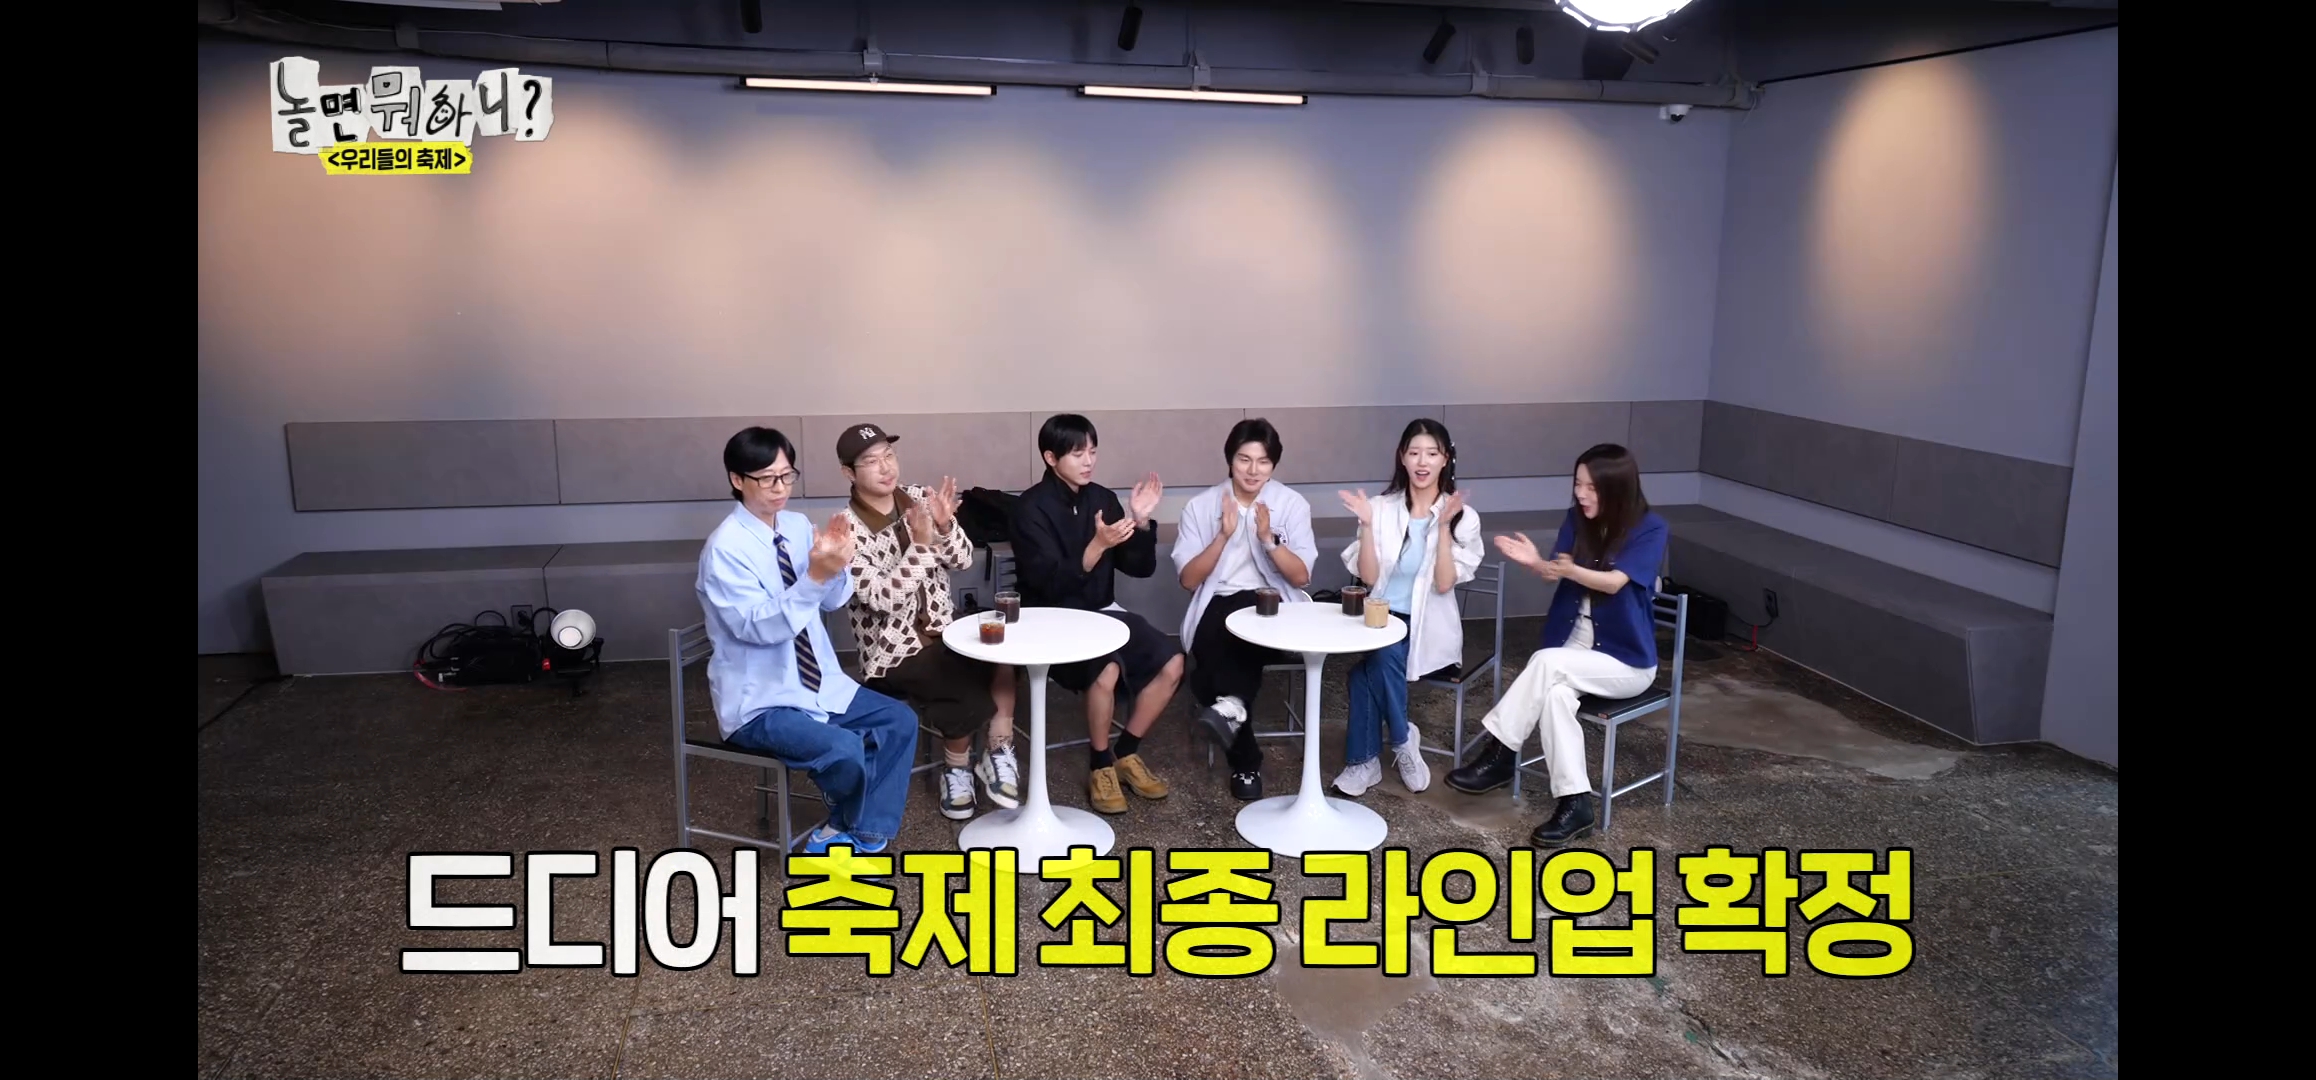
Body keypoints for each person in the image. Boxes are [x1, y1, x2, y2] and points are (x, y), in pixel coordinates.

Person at [697, 426, 919, 854]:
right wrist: (816, 576)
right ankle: (845, 824)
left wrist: (838, 567)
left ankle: (855, 829)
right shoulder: (725, 549)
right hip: (761, 702)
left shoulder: (797, 526)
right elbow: (758, 628)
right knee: (844, 749)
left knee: (900, 721)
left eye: (787, 476)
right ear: (737, 479)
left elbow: (831, 602)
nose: (780, 488)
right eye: (767, 478)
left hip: (818, 683)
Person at [1447, 443, 1666, 847]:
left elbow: (1614, 583)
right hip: (1575, 650)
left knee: (1546, 662)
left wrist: (1570, 570)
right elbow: (1556, 572)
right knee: (1555, 697)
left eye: (1591, 487)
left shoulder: (1649, 528)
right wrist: (1534, 562)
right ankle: (1575, 803)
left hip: (1626, 662)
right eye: (1578, 484)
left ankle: (1501, 753)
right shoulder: (1576, 518)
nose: (1581, 494)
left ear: (1617, 488)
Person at [832, 422, 1022, 823]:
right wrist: (921, 545)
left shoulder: (920, 498)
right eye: (871, 461)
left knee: (1005, 653)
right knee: (964, 689)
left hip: (943, 632)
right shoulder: (846, 530)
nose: (886, 467)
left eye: (889, 455)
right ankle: (957, 771)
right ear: (849, 472)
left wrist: (946, 526)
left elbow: (963, 561)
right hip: (891, 652)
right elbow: (884, 598)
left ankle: (998, 749)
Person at [1008, 413, 1186, 815]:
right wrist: (1096, 546)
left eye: (1092, 451)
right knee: (1106, 668)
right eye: (1077, 454)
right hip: (1049, 619)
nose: (1088, 461)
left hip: (1103, 613)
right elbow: (1047, 584)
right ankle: (1100, 763)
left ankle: (1126, 751)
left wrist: (1140, 521)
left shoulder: (1102, 498)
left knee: (1172, 662)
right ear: (1051, 457)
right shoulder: (1029, 508)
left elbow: (1139, 568)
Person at [1333, 418, 1484, 798]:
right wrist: (1366, 525)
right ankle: (1402, 739)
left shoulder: (1463, 516)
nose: (1422, 461)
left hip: (1427, 624)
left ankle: (1366, 761)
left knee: (1367, 671)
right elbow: (1369, 578)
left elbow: (1444, 583)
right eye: (1414, 452)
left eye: (1432, 453)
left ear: (1446, 459)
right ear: (1402, 457)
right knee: (1379, 656)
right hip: (1381, 618)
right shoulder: (1380, 508)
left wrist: (1444, 527)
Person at [1172, 418, 1318, 802]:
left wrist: (1269, 540)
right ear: (1230, 459)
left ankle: (1236, 731)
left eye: (1263, 462)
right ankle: (1240, 736)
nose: (1253, 471)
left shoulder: (1291, 504)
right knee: (1228, 632)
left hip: (1275, 607)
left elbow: (1301, 576)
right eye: (1244, 459)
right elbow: (1189, 580)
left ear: (1274, 464)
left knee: (1218, 663)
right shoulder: (1201, 506)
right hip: (1217, 606)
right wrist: (1223, 535)